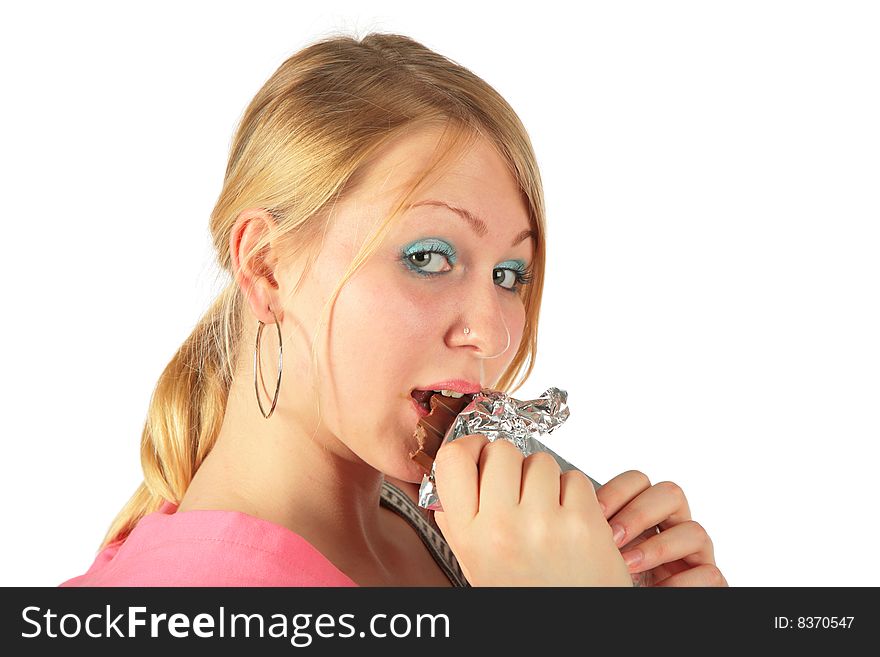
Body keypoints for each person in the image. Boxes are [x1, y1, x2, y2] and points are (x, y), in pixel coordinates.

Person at [61, 32, 726, 587]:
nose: (491, 330)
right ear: (266, 266)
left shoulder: (466, 520)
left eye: (508, 273)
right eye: (428, 257)